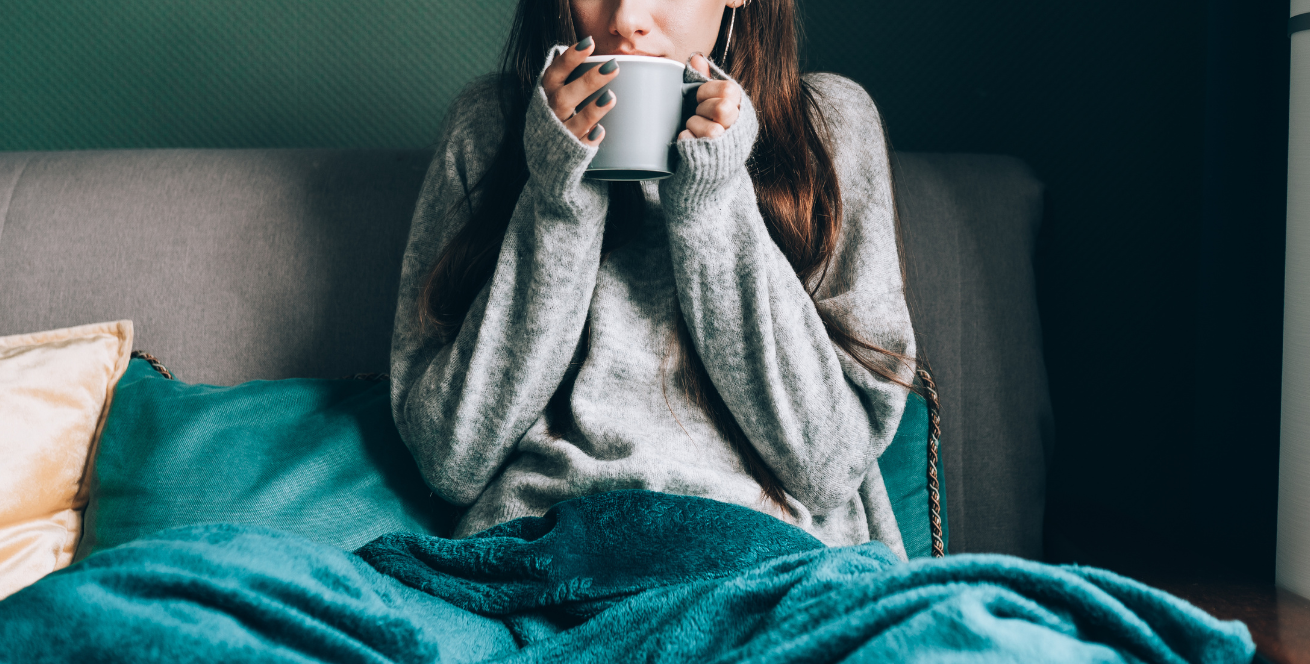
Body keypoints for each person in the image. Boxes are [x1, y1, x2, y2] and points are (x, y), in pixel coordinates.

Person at [391, 0, 917, 552]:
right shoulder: (488, 124)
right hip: (540, 551)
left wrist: (712, 200)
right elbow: (450, 459)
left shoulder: (829, 126)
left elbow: (830, 466)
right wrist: (557, 199)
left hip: (767, 556)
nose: (627, 18)